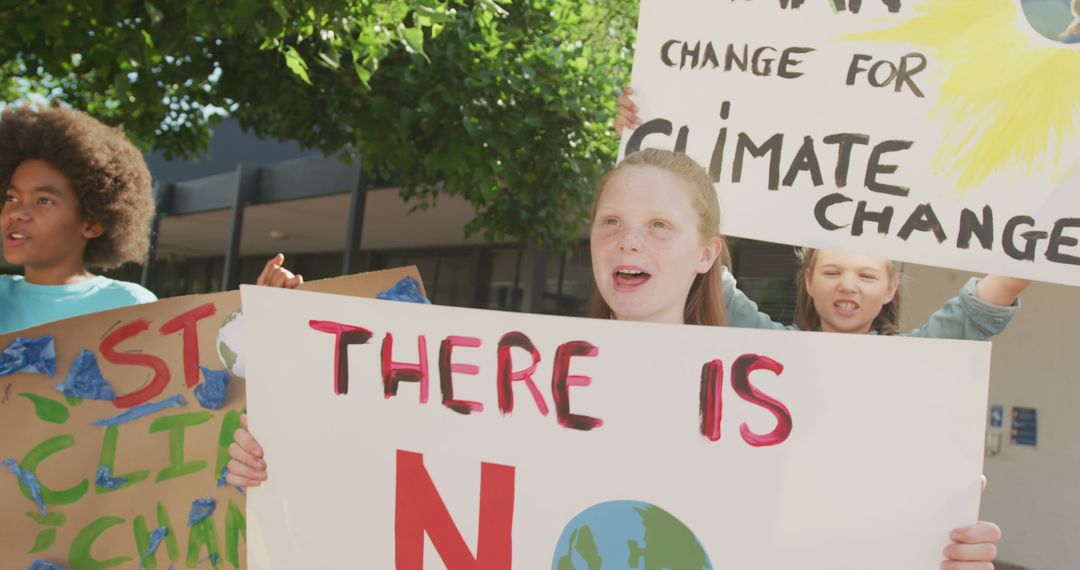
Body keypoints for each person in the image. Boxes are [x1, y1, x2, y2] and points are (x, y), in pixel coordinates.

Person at [231, 148, 1002, 567]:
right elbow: (407, 495)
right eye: (611, 222)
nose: (629, 240)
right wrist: (282, 459)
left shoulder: (778, 389)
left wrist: (924, 547)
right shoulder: (514, 379)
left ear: (708, 255)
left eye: (658, 225)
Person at [0, 106, 157, 334]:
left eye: (43, 201)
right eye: (11, 197)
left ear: (92, 224)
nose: (17, 212)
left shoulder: (129, 305)